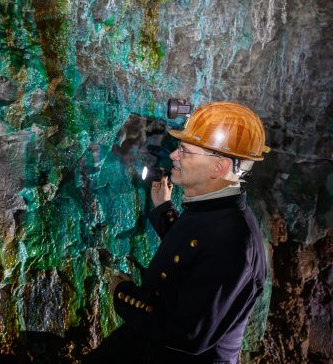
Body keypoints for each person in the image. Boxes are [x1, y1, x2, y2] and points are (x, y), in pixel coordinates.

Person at [84, 101, 269, 364]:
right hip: (154, 341)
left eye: (185, 151)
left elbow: (188, 333)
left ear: (218, 168)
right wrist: (164, 211)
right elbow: (196, 252)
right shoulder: (214, 211)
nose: (174, 156)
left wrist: (123, 294)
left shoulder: (235, 242)